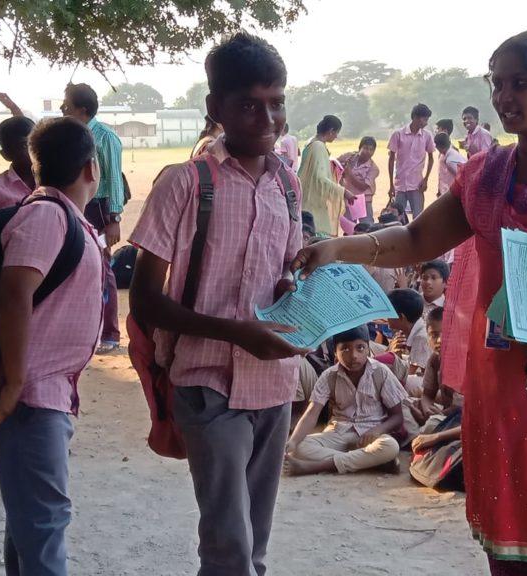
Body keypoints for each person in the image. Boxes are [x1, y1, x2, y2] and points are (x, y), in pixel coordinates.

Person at [291, 28, 527, 574]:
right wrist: (337, 248)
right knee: (510, 542)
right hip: (500, 386)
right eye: (497, 83)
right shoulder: (487, 175)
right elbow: (416, 238)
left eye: (520, 83)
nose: (503, 97)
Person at [128, 33, 308, 576]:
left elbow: (285, 273)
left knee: (255, 543)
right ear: (216, 108)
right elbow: (145, 300)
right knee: (229, 544)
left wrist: (295, 290)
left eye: (276, 102)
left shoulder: (288, 185)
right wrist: (235, 331)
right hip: (208, 384)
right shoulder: (185, 184)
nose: (267, 118)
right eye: (249, 105)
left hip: (274, 383)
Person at [0, 116, 104, 576]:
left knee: (30, 518)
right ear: (91, 168)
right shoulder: (48, 214)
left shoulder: (62, 215)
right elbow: (15, 290)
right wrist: (14, 382)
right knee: (45, 521)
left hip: (41, 392)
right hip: (30, 395)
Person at [284, 325, 407, 476]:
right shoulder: (329, 376)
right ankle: (370, 462)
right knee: (299, 448)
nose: (354, 355)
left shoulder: (381, 372)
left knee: (390, 446)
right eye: (345, 349)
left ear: (368, 349)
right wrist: (293, 441)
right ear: (335, 353)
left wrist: (377, 430)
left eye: (360, 348)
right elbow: (311, 414)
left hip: (371, 436)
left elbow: (397, 417)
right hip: (339, 433)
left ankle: (313, 467)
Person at [61, 82, 125, 354]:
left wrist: (114, 219)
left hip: (99, 209)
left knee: (102, 268)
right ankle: (83, 330)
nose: (63, 109)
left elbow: (114, 178)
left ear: (83, 110)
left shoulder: (105, 137)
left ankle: (109, 333)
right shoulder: (71, 135)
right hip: (76, 206)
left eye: (67, 105)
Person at [299, 114, 352, 236]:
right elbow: (320, 177)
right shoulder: (318, 146)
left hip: (307, 195)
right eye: (336, 132)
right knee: (316, 234)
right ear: (331, 131)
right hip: (313, 199)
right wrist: (343, 192)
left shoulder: (311, 142)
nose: (336, 136)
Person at [388, 103, 435, 218]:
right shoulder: (398, 134)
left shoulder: (427, 136)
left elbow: (431, 159)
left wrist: (426, 179)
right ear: (415, 117)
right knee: (397, 217)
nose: (426, 123)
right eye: (425, 119)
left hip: (417, 184)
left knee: (418, 217)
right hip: (400, 184)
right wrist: (391, 185)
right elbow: (391, 159)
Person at [386, 288, 431, 382]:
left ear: (401, 317)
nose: (386, 316)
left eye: (389, 312)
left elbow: (410, 375)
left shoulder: (421, 338)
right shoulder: (404, 330)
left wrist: (395, 357)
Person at [339, 136, 380, 224]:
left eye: (371, 149)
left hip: (364, 200)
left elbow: (363, 186)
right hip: (349, 198)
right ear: (359, 148)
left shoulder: (373, 168)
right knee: (348, 225)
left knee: (366, 225)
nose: (368, 152)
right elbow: (335, 164)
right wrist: (341, 169)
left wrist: (349, 172)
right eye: (365, 148)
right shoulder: (349, 157)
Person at [435, 132, 467, 197]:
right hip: (448, 191)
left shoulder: (450, 161)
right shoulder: (447, 155)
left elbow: (462, 177)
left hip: (454, 193)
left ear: (437, 147)